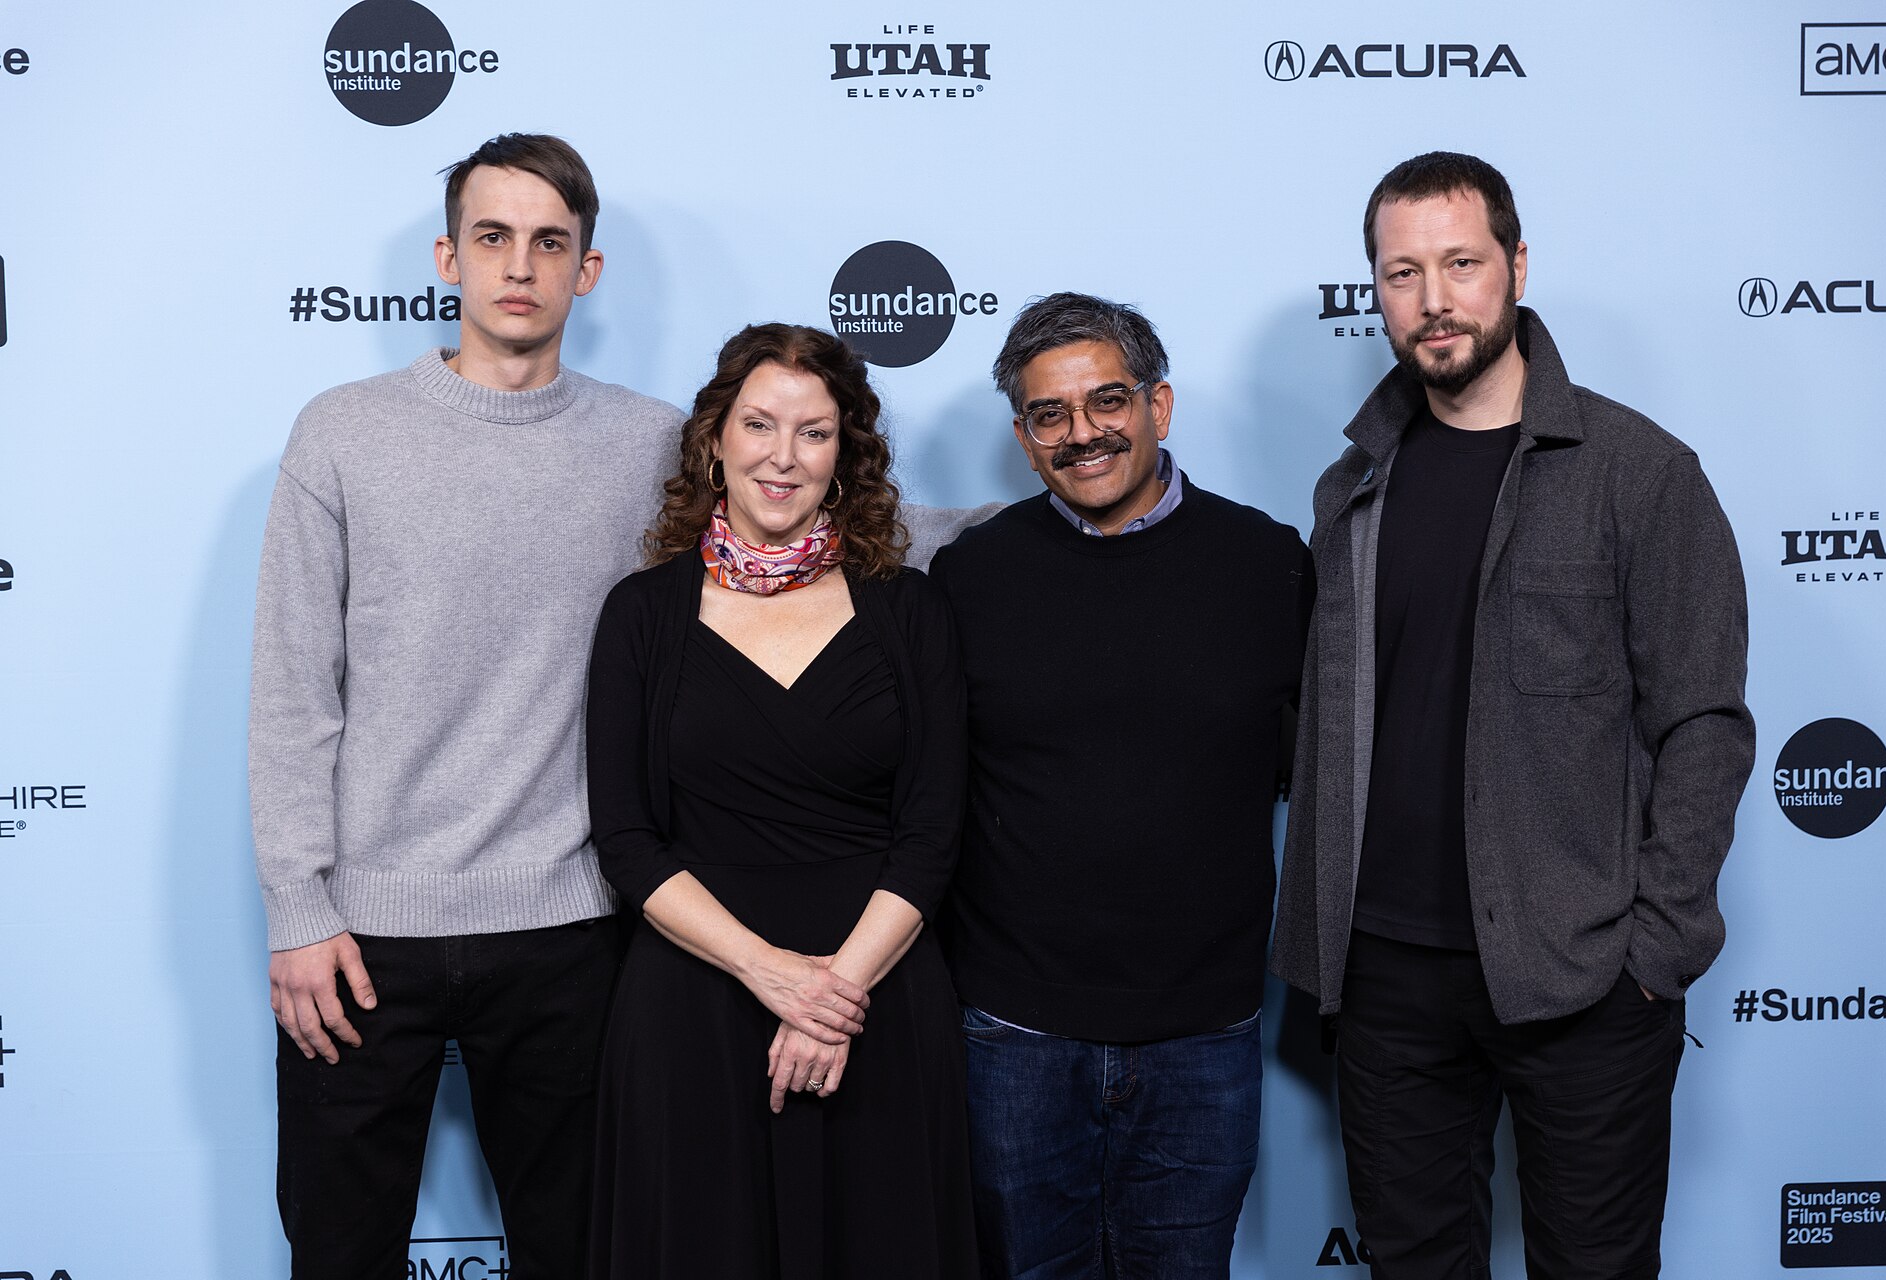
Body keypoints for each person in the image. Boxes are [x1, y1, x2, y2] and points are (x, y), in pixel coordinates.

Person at [249, 135, 990, 1278]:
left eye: (551, 242)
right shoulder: (342, 432)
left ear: (585, 272)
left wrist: (1054, 514)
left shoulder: (647, 441)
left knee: (575, 1251)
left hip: (567, 930)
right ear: (448, 255)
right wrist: (299, 904)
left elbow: (814, 507)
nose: (519, 266)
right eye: (492, 237)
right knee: (340, 1252)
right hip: (366, 934)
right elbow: (294, 685)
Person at [1272, 152, 1755, 1279]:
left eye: (1460, 263)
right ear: (1376, 293)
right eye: (1402, 273)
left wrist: (1655, 946)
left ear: (1517, 267)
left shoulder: (1640, 473)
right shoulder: (1351, 485)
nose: (1433, 299)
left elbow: (1706, 724)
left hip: (1582, 971)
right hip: (1385, 973)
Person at [930, 292, 1314, 1278]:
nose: (1083, 433)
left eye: (1108, 400)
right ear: (1022, 436)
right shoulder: (973, 573)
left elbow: (1313, 773)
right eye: (1050, 414)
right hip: (1015, 1032)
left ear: (1160, 405)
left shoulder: (1267, 563)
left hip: (1204, 1031)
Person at [584, 323, 976, 1280]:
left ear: (845, 455)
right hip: (696, 1009)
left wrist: (828, 997)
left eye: (814, 432)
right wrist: (772, 976)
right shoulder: (643, 613)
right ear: (715, 439)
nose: (782, 456)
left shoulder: (907, 608)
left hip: (875, 1006)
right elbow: (628, 842)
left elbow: (931, 834)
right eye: (759, 425)